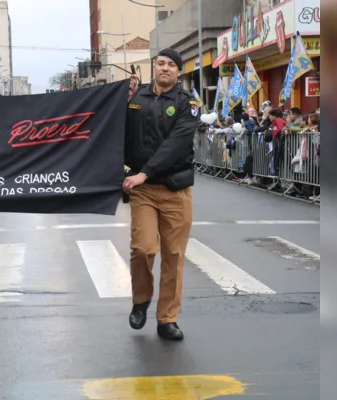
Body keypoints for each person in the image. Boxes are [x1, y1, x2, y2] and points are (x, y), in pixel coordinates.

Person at [122, 48, 200, 341]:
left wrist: (144, 172)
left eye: (171, 65)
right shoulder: (136, 98)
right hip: (142, 191)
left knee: (173, 256)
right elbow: (115, 131)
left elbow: (177, 144)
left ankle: (167, 318)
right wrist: (120, 100)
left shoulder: (188, 103)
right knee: (143, 248)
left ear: (179, 72)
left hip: (175, 189)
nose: (164, 68)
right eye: (160, 63)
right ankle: (141, 300)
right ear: (154, 68)